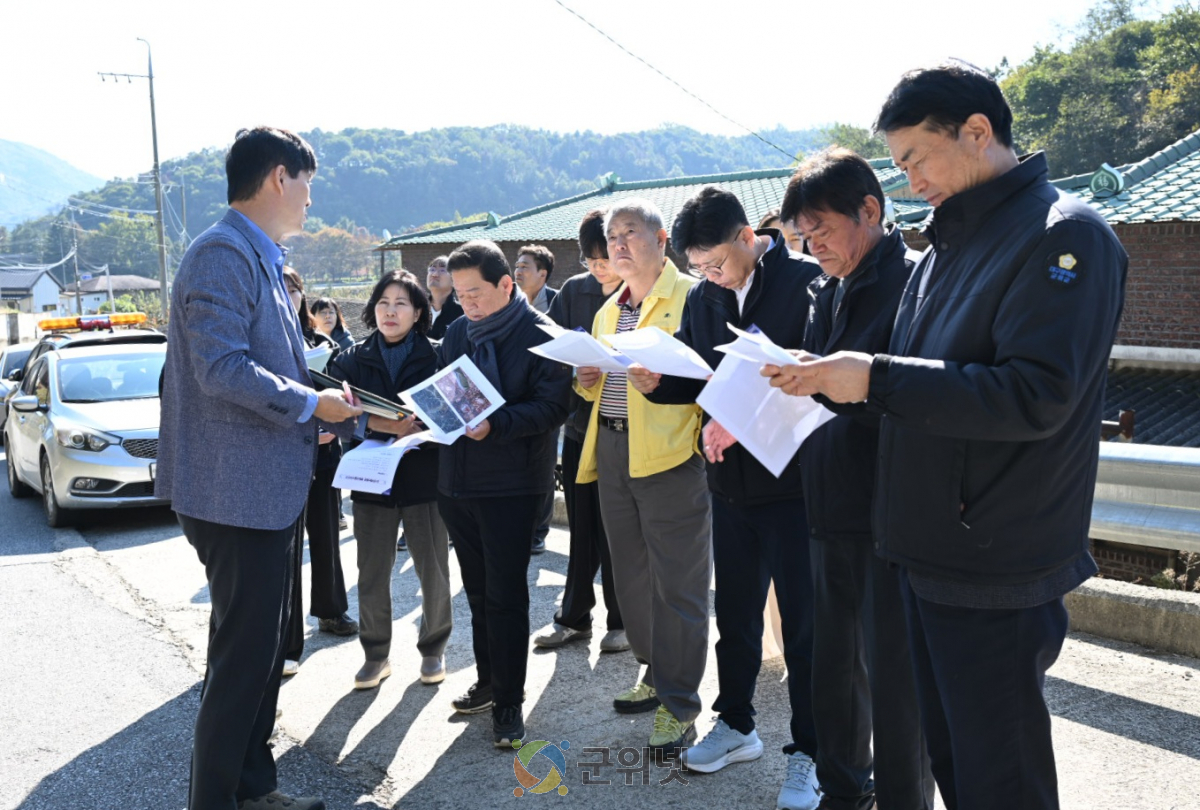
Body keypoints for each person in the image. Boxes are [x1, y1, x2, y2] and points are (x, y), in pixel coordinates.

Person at [765, 62, 1128, 810]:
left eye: (915, 159)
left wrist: (871, 378)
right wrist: (839, 381)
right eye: (899, 165)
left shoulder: (1066, 237)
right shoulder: (947, 248)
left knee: (1002, 777)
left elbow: (1037, 396)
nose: (909, 180)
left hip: (995, 560)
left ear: (977, 132)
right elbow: (915, 386)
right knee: (952, 763)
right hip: (922, 550)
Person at [156, 126, 370, 810]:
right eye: (307, 183)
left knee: (258, 661)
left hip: (257, 489)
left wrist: (322, 409)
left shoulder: (259, 254)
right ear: (280, 177)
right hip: (233, 493)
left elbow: (267, 367)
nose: (310, 199)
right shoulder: (223, 252)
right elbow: (220, 370)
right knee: (241, 666)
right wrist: (313, 404)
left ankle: (253, 790)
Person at [629, 187, 822, 809]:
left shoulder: (807, 284)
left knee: (805, 626)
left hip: (795, 485)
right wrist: (658, 382)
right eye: (701, 269)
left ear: (747, 236)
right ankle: (736, 724)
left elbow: (814, 381)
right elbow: (698, 377)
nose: (710, 278)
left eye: (716, 263)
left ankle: (812, 751)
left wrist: (739, 412)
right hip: (730, 481)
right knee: (734, 615)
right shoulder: (709, 296)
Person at [779, 149, 934, 810]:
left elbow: (921, 396)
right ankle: (844, 792)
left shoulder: (914, 282)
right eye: (802, 237)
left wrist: (838, 383)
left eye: (822, 230)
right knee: (831, 669)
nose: (813, 247)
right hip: (826, 502)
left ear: (870, 210)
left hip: (889, 512)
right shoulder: (825, 287)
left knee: (896, 684)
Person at [574, 199, 710, 752]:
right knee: (630, 575)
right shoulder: (609, 310)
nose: (619, 244)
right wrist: (586, 377)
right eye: (612, 236)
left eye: (630, 232)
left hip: (670, 452)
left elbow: (710, 377)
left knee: (678, 582)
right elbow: (602, 384)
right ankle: (655, 672)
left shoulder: (693, 297)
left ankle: (680, 703)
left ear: (662, 238)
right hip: (611, 444)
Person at [436, 239, 571, 748]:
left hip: (512, 484)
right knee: (476, 591)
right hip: (458, 481)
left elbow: (552, 408)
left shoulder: (542, 336)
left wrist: (497, 424)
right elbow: (447, 389)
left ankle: (510, 704)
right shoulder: (455, 333)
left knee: (507, 594)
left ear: (507, 285)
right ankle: (489, 680)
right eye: (459, 294)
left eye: (475, 293)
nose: (466, 304)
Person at [325, 270, 453, 690]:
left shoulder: (439, 355)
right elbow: (334, 416)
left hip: (424, 478)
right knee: (372, 572)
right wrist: (378, 423)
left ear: (418, 312)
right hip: (369, 481)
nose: (390, 311)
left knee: (433, 571)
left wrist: (422, 429)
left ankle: (433, 649)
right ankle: (375, 654)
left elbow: (455, 411)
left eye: (401, 303)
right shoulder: (350, 359)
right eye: (383, 303)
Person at [534, 208, 628, 654]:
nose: (598, 267)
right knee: (581, 527)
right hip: (577, 428)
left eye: (604, 256)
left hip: (623, 430)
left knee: (618, 532)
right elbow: (549, 354)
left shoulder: (640, 294)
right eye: (590, 259)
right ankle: (574, 616)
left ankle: (622, 620)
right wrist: (575, 375)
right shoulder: (574, 292)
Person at [279, 268, 357, 681]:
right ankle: (288, 638)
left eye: (295, 288)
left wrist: (333, 427)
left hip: (325, 455)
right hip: (284, 456)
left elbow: (342, 393)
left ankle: (331, 610)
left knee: (326, 535)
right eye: (283, 287)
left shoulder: (320, 342)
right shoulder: (267, 340)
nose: (289, 294)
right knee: (287, 547)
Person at [425, 255, 464, 341]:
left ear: (454, 281)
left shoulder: (462, 313)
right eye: (432, 269)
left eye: (442, 270)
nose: (434, 274)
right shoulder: (417, 311)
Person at [513, 244, 558, 313]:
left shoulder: (559, 302)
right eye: (517, 267)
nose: (518, 272)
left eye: (524, 267)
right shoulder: (508, 303)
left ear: (542, 274)